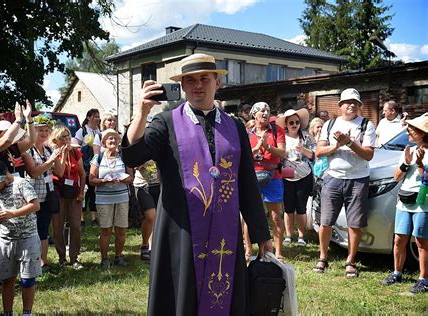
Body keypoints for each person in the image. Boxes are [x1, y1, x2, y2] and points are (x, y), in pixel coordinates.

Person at [122, 53, 270, 315]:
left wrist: (261, 236)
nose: (197, 85)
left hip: (225, 231)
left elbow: (247, 184)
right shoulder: (166, 122)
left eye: (204, 78)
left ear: (217, 82)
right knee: (182, 297)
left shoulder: (234, 126)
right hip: (182, 231)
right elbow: (133, 154)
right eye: (190, 80)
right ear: (183, 86)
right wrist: (141, 112)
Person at [314, 88, 376, 278]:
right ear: (340, 106)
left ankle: (350, 261)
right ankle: (323, 257)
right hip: (333, 177)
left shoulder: (367, 125)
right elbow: (318, 151)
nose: (351, 105)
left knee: (354, 223)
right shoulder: (330, 124)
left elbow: (369, 154)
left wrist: (350, 143)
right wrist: (337, 145)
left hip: (358, 178)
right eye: (347, 102)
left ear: (359, 106)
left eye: (355, 102)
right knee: (326, 221)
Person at [0, 158, 40, 316]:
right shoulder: (0, 189)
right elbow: (4, 208)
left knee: (27, 279)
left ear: (2, 176)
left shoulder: (21, 184)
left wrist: (12, 213)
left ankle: (27, 312)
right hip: (6, 239)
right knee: (7, 279)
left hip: (27, 238)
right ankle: (7, 313)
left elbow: (35, 205)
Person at [383, 114, 428, 293]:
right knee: (399, 239)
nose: (408, 131)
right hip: (404, 201)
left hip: (423, 203)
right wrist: (406, 163)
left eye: (412, 130)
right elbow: (396, 176)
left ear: (423, 133)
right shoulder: (408, 150)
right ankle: (397, 272)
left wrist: (419, 164)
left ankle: (423, 279)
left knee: (421, 242)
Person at [23, 115, 63, 273]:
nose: (45, 133)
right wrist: (51, 161)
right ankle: (29, 263)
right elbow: (33, 172)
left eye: (47, 130)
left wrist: (61, 154)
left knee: (44, 230)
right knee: (31, 230)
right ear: (33, 131)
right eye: (40, 130)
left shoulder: (48, 149)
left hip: (47, 196)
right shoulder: (27, 150)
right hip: (31, 198)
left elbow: (59, 172)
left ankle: (43, 264)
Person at [89, 129, 133, 269]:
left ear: (119, 141)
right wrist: (104, 181)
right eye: (109, 139)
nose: (113, 141)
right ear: (104, 142)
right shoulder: (98, 157)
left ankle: (119, 256)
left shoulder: (124, 156)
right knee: (106, 230)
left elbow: (131, 177)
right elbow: (91, 179)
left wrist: (123, 179)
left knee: (121, 229)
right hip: (103, 199)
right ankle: (104, 258)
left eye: (115, 138)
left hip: (122, 198)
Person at [248, 101, 286, 260]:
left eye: (267, 110)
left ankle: (278, 252)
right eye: (262, 110)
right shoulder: (247, 132)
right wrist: (257, 147)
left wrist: (267, 147)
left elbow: (282, 153)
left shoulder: (277, 130)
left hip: (273, 176)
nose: (265, 113)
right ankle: (248, 250)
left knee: (275, 215)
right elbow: (243, 156)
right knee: (248, 214)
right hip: (251, 176)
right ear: (254, 114)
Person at [276, 108, 314, 247]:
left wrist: (303, 150)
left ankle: (301, 236)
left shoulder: (306, 136)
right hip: (287, 173)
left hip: (304, 175)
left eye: (297, 122)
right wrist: (282, 154)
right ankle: (288, 235)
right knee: (288, 207)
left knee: (301, 207)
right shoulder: (281, 137)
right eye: (291, 122)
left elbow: (315, 155)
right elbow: (277, 155)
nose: (294, 124)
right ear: (286, 124)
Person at [50, 126, 86, 270]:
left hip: (74, 193)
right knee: (58, 226)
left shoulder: (76, 152)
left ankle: (74, 257)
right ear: (56, 140)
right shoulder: (53, 153)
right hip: (58, 193)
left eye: (68, 137)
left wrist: (81, 192)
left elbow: (83, 174)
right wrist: (63, 154)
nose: (66, 140)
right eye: (63, 137)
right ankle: (61, 258)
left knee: (76, 226)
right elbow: (59, 173)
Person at [74, 109, 101, 227]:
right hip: (84, 164)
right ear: (89, 117)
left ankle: (94, 218)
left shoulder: (99, 131)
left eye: (98, 116)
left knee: (94, 191)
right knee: (84, 190)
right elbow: (76, 147)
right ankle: (82, 218)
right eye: (95, 116)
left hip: (95, 164)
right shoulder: (82, 130)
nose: (98, 119)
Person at [133, 159, 159, 261]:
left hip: (159, 185)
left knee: (156, 218)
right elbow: (136, 165)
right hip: (143, 185)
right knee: (150, 215)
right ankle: (145, 244)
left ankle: (152, 248)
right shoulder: (141, 144)